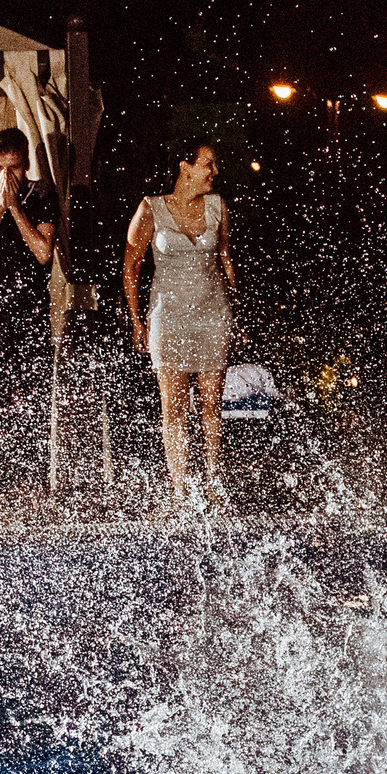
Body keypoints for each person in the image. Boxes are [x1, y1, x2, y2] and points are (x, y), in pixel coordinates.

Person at [124, 140, 235, 505]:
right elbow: (132, 266)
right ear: (185, 167)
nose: (214, 172)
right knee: (173, 406)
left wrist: (240, 308)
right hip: (167, 317)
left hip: (212, 314)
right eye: (208, 164)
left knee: (211, 404)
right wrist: (137, 320)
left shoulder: (218, 206)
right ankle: (180, 488)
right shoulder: (151, 209)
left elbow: (225, 259)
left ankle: (215, 484)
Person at [0, 127, 57, 484]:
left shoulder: (42, 192)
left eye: (12, 168)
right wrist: (0, 207)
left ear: (25, 164)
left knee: (32, 390)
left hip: (29, 305)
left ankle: (34, 477)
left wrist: (15, 207)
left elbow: (43, 253)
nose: (4, 176)